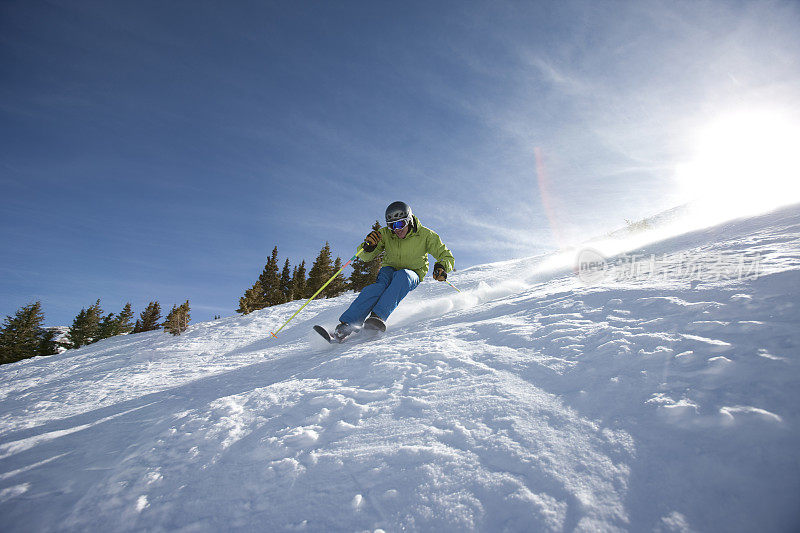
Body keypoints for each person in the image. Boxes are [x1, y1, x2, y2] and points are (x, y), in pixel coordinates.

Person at [335, 201, 455, 340]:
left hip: (412, 272)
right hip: (389, 269)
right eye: (392, 226)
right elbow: (365, 257)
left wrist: (442, 266)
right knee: (377, 288)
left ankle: (377, 318)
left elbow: (446, 255)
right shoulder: (385, 234)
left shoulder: (426, 235)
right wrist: (368, 247)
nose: (396, 229)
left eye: (400, 224)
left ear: (409, 220)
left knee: (402, 276)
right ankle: (346, 325)